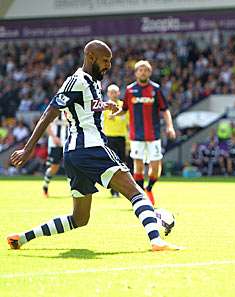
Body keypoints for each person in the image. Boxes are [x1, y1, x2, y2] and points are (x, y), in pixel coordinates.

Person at [7, 40, 179, 252]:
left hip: (74, 155)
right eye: (105, 61)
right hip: (91, 148)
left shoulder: (93, 82)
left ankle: (21, 238)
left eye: (110, 61)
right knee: (136, 192)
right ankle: (156, 240)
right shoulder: (76, 80)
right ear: (90, 57)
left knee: (79, 218)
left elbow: (82, 104)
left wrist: (102, 105)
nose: (108, 65)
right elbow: (50, 112)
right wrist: (28, 148)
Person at [113, 60, 176, 205]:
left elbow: (165, 110)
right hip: (136, 136)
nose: (143, 72)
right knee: (138, 166)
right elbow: (124, 109)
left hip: (153, 135)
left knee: (155, 168)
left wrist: (170, 126)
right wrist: (114, 113)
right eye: (140, 70)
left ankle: (150, 187)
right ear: (136, 73)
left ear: (150, 72)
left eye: (146, 70)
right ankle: (141, 196)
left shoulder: (156, 89)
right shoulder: (130, 90)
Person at [103, 84, 129, 197]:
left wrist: (129, 140)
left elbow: (129, 123)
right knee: (111, 165)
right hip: (109, 138)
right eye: (111, 92)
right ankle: (113, 189)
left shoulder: (124, 106)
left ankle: (120, 189)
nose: (113, 94)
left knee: (122, 164)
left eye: (115, 92)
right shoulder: (104, 106)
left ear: (119, 93)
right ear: (108, 94)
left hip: (121, 138)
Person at [42, 112, 67, 197]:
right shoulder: (55, 109)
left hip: (69, 143)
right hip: (55, 143)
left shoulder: (71, 107)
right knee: (54, 167)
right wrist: (54, 137)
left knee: (72, 165)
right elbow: (46, 125)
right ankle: (45, 185)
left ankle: (75, 190)